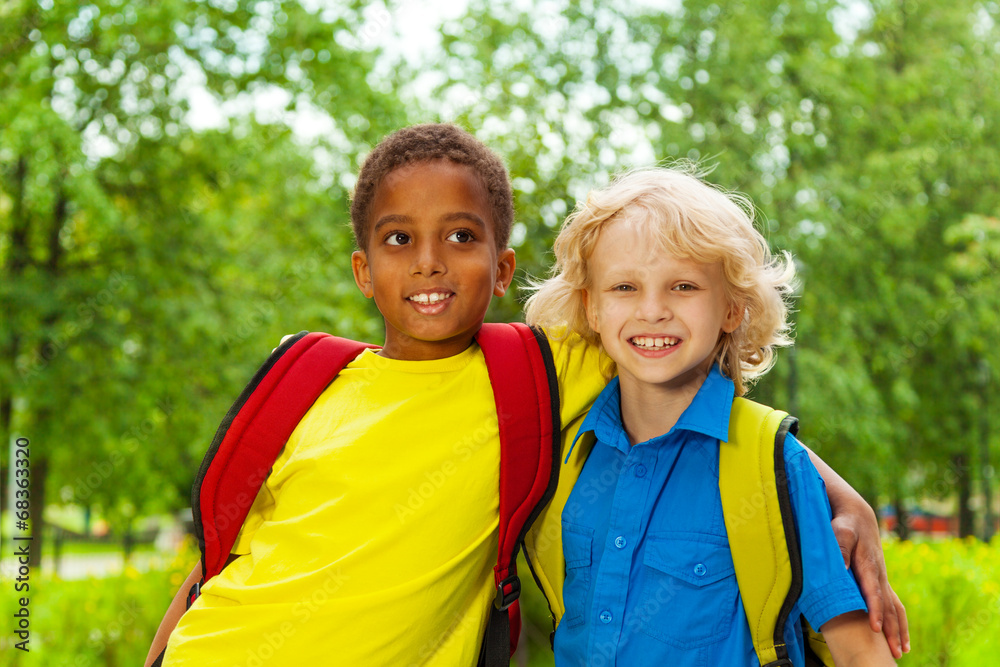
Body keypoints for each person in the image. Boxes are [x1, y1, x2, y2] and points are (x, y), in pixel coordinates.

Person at [147, 126, 905, 665]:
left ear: (504, 268)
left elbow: (696, 395)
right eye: (399, 239)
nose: (431, 264)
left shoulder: (539, 369)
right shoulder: (307, 376)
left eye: (462, 237)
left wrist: (837, 493)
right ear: (362, 268)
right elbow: (219, 564)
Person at [525, 166, 900, 666]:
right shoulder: (568, 454)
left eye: (683, 286)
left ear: (732, 309)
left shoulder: (771, 467)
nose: (653, 310)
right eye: (624, 288)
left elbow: (860, 655)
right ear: (591, 309)